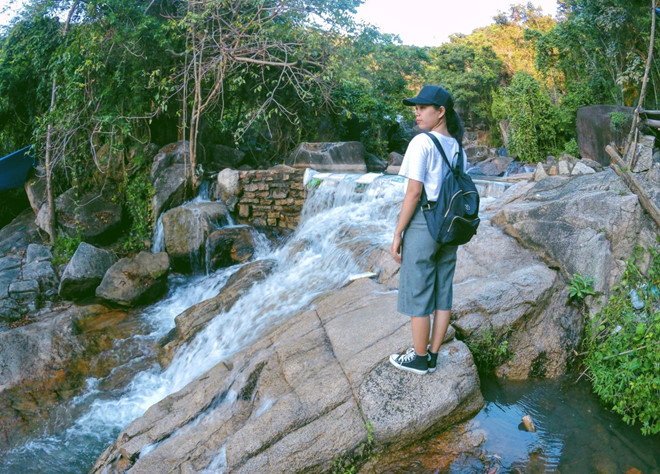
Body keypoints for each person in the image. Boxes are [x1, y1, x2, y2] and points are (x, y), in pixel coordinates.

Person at [389, 85, 466, 375]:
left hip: (425, 221)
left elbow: (413, 193)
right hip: (450, 224)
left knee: (418, 289)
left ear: (441, 111)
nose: (417, 112)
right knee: (442, 289)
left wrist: (398, 233)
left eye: (423, 107)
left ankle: (420, 359)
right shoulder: (457, 147)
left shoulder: (422, 143)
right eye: (416, 107)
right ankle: (433, 354)